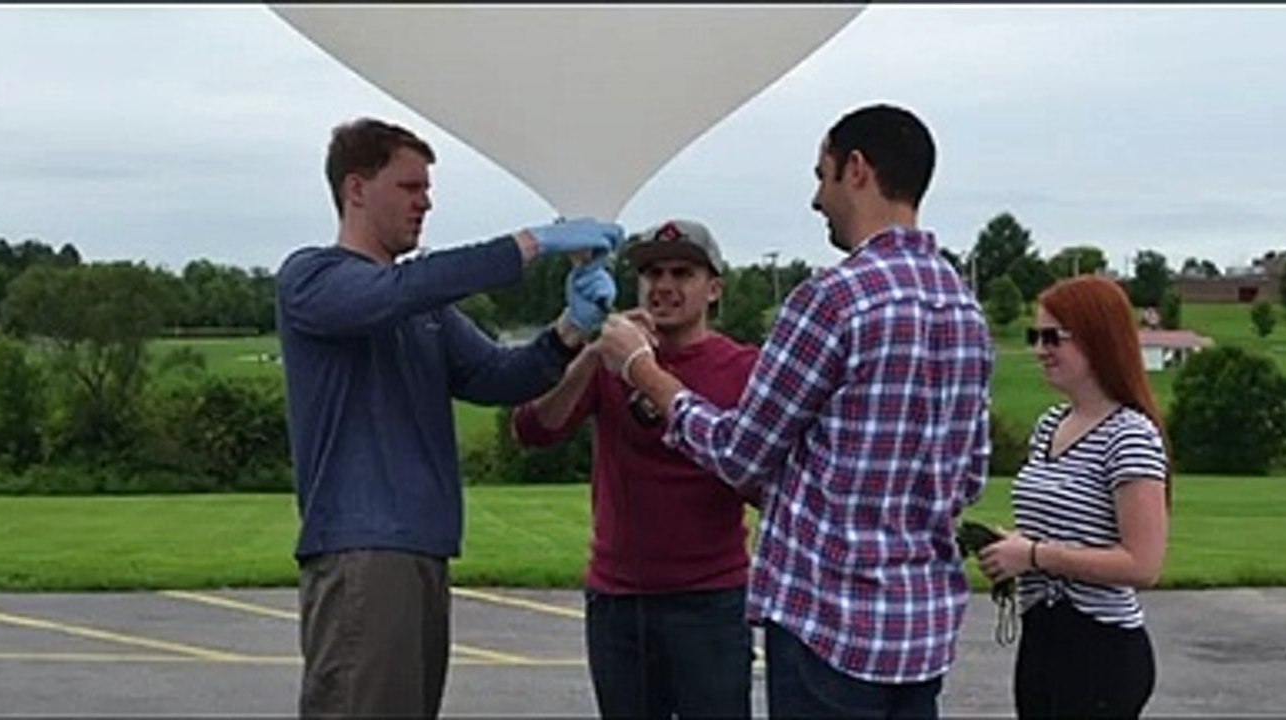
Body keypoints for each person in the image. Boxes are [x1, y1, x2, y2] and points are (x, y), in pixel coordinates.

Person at [594, 103, 994, 718]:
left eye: (822, 174)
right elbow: (967, 476)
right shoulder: (964, 309)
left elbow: (739, 450)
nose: (816, 198)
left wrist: (641, 370)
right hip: (921, 635)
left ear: (856, 170)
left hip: (829, 631)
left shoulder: (834, 299)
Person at [276, 116, 625, 719]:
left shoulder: (425, 313)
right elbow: (398, 292)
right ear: (356, 189)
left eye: (427, 190)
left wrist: (571, 330)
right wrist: (532, 244)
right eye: (410, 188)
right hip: (362, 549)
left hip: (422, 548)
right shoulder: (313, 278)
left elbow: (499, 377)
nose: (426, 202)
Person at [511, 218, 762, 719]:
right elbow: (534, 429)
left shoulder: (744, 367)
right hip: (620, 598)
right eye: (652, 274)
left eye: (682, 274)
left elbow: (759, 476)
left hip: (709, 598)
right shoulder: (610, 359)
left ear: (713, 288)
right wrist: (591, 355)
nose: (664, 286)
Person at [974, 274, 1172, 719]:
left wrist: (1035, 555)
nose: (1040, 349)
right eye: (1035, 336)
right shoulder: (1049, 426)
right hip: (1043, 640)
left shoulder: (1130, 436)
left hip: (1099, 649)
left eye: (1052, 338)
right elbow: (1059, 531)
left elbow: (1143, 565)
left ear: (1097, 340)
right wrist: (1011, 548)